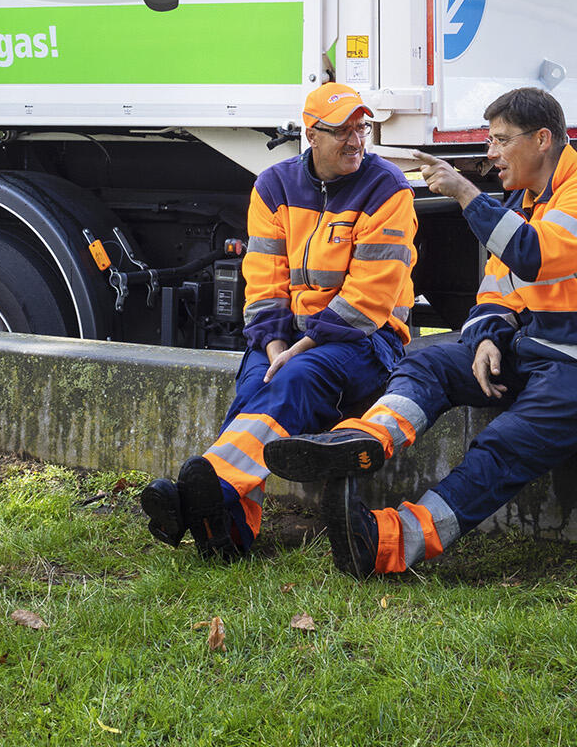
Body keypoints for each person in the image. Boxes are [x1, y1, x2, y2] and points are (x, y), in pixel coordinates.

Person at [267, 87, 577, 578]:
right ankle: (356, 441)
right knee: (428, 362)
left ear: (542, 139)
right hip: (542, 351)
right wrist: (486, 338)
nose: (490, 153)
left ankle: (389, 545)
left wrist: (464, 193)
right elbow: (495, 291)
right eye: (489, 140)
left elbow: (532, 255)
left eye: (500, 140)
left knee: (503, 446)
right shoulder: (526, 203)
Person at [138, 82, 416, 559]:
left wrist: (295, 352)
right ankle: (228, 535)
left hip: (369, 339)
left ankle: (201, 496)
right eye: (343, 131)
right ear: (312, 134)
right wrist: (272, 347)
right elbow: (264, 282)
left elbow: (368, 300)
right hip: (289, 340)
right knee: (254, 386)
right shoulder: (273, 186)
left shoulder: (387, 188)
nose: (356, 141)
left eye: (362, 129)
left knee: (296, 379)